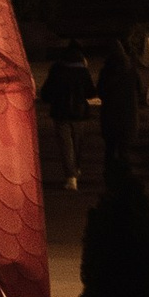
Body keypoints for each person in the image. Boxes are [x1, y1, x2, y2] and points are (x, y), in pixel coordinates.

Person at [40, 42, 97, 191]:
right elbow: (91, 92)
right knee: (78, 143)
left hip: (60, 113)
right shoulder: (83, 71)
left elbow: (46, 93)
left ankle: (71, 178)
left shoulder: (57, 69)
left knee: (66, 146)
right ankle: (76, 169)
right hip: (79, 113)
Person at [97, 37, 143, 176]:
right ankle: (125, 176)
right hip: (128, 116)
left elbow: (100, 91)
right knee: (124, 150)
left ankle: (109, 174)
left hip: (110, 115)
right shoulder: (132, 71)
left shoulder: (106, 71)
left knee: (110, 148)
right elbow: (139, 89)